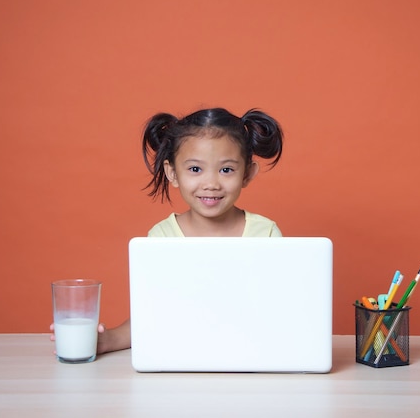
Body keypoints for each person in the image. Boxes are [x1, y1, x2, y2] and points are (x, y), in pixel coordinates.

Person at [51, 107, 284, 354]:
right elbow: (151, 313)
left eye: (226, 170)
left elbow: (282, 312)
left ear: (247, 174)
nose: (211, 184)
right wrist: (107, 340)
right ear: (172, 173)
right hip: (180, 355)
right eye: (195, 169)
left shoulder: (266, 233)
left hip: (251, 353)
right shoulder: (161, 238)